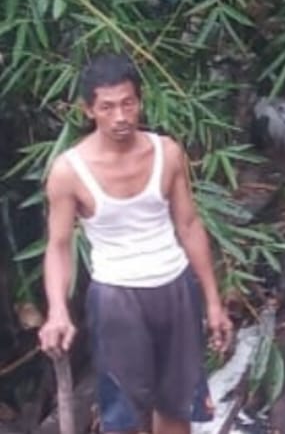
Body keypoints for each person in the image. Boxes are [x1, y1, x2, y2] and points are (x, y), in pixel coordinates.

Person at [36, 54, 234, 434]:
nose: (120, 116)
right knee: (123, 414)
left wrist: (212, 302)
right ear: (88, 110)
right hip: (116, 297)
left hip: (175, 287)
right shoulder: (69, 171)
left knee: (178, 407)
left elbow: (189, 225)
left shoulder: (167, 153)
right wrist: (57, 310)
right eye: (107, 107)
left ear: (140, 101)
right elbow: (59, 247)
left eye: (128, 103)